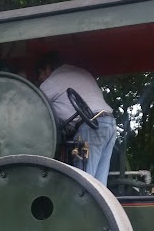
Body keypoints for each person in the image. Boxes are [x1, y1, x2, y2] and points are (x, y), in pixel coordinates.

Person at [36, 52, 116, 186]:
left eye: (40, 74)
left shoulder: (52, 82)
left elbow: (34, 104)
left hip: (91, 127)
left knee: (84, 185)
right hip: (109, 123)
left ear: (47, 68)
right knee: (100, 184)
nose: (40, 79)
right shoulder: (82, 72)